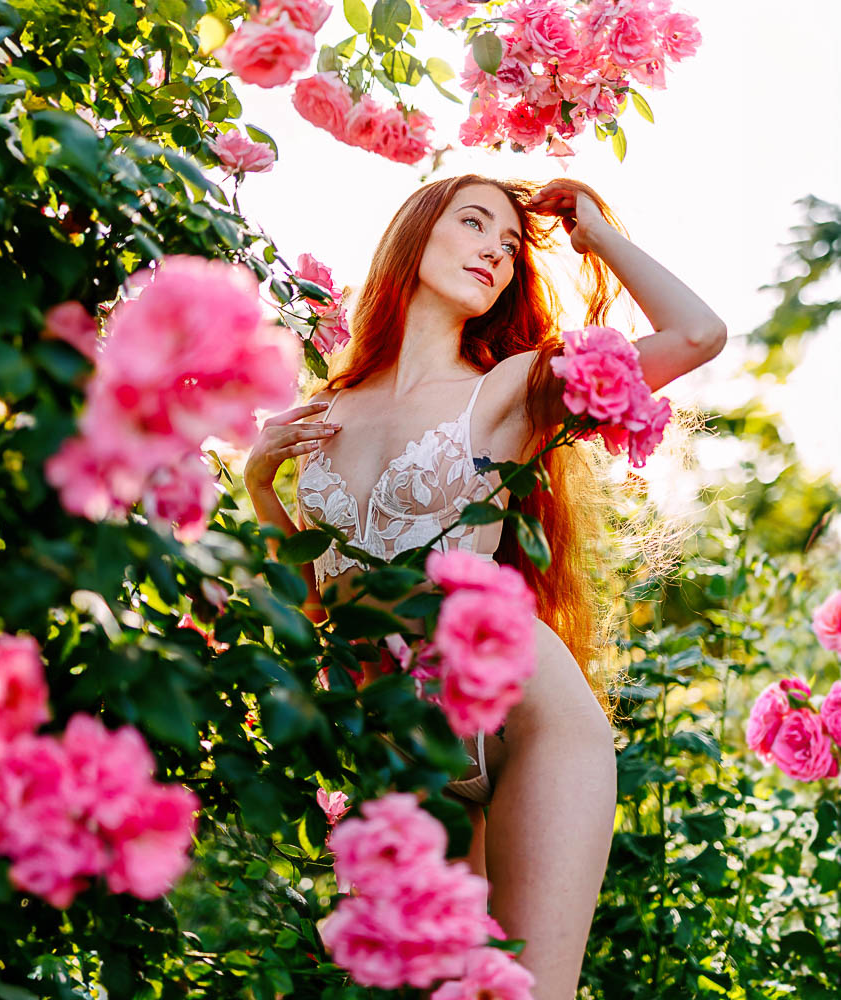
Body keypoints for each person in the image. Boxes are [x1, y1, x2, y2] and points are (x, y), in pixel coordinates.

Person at [243, 174, 727, 997]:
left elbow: (697, 333)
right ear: (415, 236)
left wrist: (598, 235)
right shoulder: (324, 412)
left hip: (528, 719)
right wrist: (261, 486)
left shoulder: (508, 389)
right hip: (397, 741)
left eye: (508, 246)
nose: (495, 253)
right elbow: (319, 608)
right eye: (474, 225)